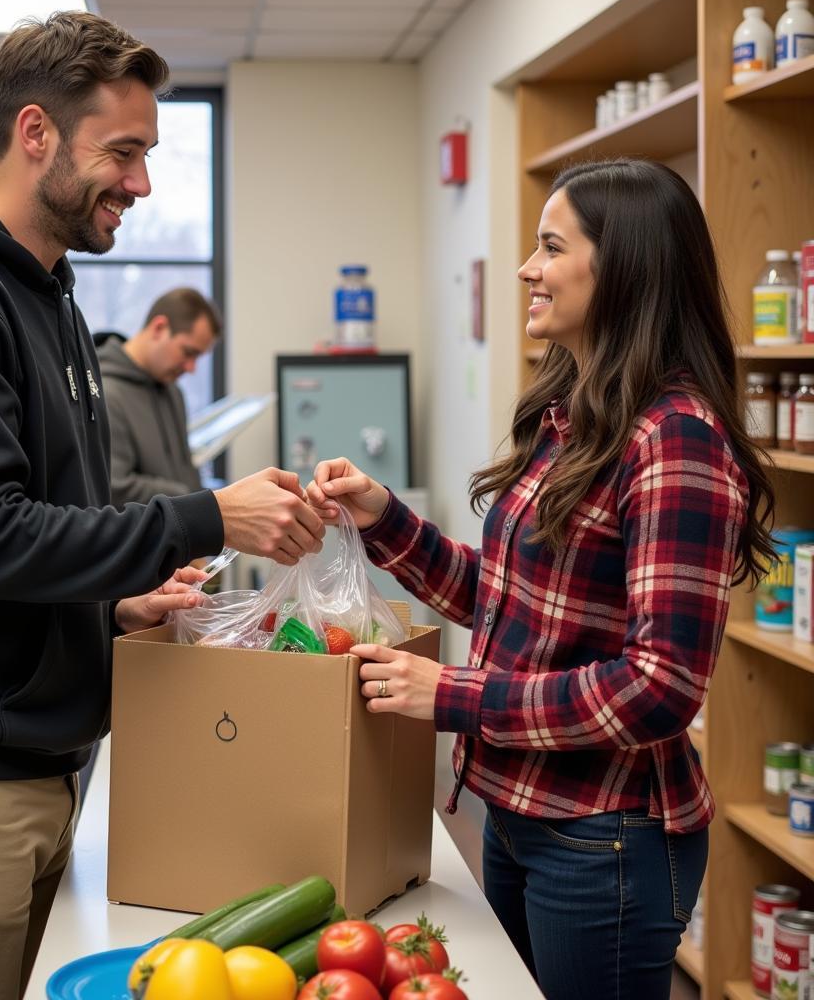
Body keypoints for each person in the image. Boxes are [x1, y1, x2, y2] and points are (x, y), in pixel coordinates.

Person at [0, 11, 324, 1000]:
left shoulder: (44, 296)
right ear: (36, 133)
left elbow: (20, 534)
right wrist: (207, 517)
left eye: (147, 155)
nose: (140, 183)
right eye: (123, 152)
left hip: (27, 763)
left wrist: (111, 605)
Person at [307, 159, 776, 1000]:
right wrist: (384, 518)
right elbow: (512, 602)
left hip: (607, 839)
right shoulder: (578, 414)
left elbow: (660, 686)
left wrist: (453, 696)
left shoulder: (677, 442)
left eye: (550, 247)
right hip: (516, 812)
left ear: (624, 267)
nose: (526, 268)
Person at [96, 287, 220, 505]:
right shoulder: (105, 394)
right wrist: (187, 497)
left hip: (180, 533)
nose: (191, 368)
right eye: (188, 352)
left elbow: (185, 470)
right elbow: (114, 486)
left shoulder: (173, 392)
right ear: (159, 328)